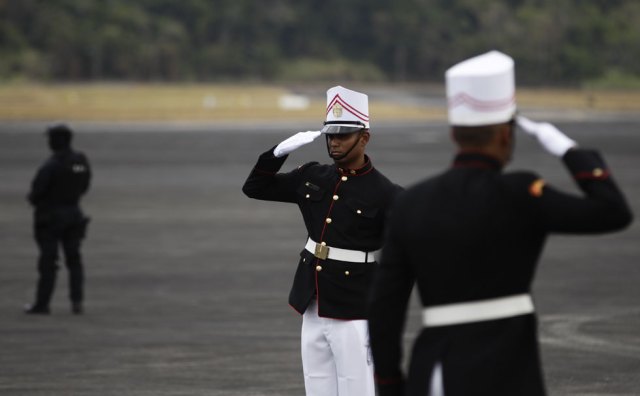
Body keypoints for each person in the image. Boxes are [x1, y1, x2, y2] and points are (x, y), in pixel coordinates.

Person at [367, 51, 633, 396]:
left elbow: (385, 308)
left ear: (454, 134)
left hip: (437, 372)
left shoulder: (410, 203)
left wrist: (389, 384)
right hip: (509, 372)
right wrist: (569, 150)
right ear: (506, 136)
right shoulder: (522, 193)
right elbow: (613, 211)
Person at [243, 86, 402, 396]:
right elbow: (255, 187)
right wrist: (277, 154)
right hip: (312, 300)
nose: (334, 141)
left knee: (358, 389)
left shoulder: (386, 193)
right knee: (317, 388)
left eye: (343, 135)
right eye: (331, 134)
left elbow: (405, 253)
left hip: (355, 307)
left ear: (364, 138)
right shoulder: (313, 177)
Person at [25, 124, 92, 315]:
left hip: (51, 217)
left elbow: (37, 192)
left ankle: (42, 303)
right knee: (74, 260)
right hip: (73, 214)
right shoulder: (79, 162)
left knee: (48, 262)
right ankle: (76, 302)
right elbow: (84, 183)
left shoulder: (51, 165)